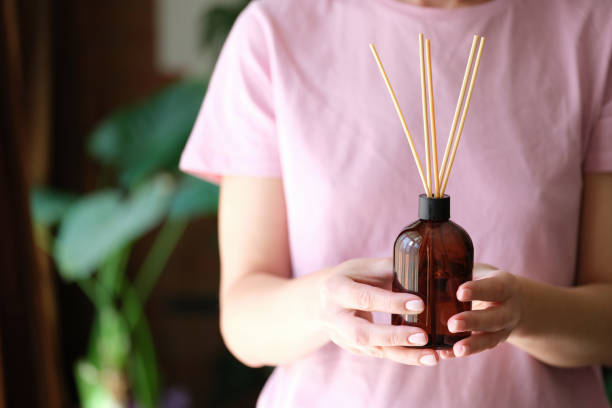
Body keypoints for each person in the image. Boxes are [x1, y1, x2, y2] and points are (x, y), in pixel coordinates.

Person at [180, 0, 612, 406]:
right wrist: (324, 306)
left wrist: (524, 311)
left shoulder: (592, 27)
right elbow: (243, 318)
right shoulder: (274, 29)